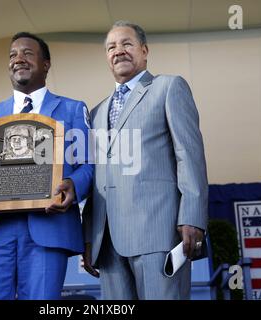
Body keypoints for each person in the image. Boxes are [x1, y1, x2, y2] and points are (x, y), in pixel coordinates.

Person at [0, 32, 93, 300]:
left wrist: (73, 186)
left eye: (27, 53)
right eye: (12, 55)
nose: (18, 59)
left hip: (47, 229)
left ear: (46, 64)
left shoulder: (73, 109)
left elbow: (89, 166)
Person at [82, 21, 208, 300]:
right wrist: (90, 236)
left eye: (127, 44)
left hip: (158, 233)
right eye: (111, 47)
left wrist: (192, 216)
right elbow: (95, 179)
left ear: (144, 50)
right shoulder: (96, 112)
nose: (119, 51)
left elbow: (189, 155)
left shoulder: (168, 87)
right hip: (108, 243)